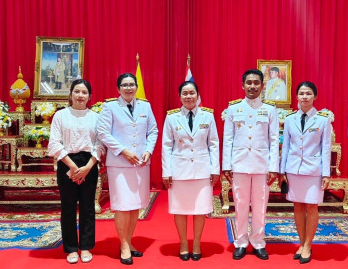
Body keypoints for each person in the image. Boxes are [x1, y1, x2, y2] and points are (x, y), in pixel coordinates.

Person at [96, 73, 158, 265]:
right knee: (122, 206)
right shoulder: (110, 107)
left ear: (137, 87)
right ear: (118, 88)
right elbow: (103, 133)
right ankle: (123, 245)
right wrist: (123, 151)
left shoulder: (145, 106)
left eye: (132, 84)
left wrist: (148, 150)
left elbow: (153, 130)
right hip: (120, 164)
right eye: (125, 85)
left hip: (140, 162)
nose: (128, 88)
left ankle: (129, 241)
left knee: (135, 206)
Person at [222, 69, 279, 260]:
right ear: (243, 85)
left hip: (262, 166)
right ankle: (240, 242)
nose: (252, 86)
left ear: (262, 86)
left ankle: (258, 242)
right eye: (249, 83)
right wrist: (226, 165)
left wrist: (274, 168)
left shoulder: (270, 110)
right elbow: (227, 139)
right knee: (240, 203)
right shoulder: (233, 109)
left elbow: (273, 140)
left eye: (256, 83)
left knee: (260, 204)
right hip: (239, 164)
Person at [48, 79, 105, 264]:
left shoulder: (96, 117)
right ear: (71, 94)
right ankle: (71, 248)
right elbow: (54, 143)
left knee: (88, 207)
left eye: (84, 92)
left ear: (89, 96)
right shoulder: (60, 116)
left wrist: (88, 166)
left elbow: (100, 144)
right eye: (77, 91)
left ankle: (86, 246)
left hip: (89, 163)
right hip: (67, 162)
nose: (81, 95)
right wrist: (72, 166)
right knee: (68, 207)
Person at [162, 81, 220, 262]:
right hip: (179, 170)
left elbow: (214, 144)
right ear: (179, 96)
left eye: (192, 93)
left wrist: (215, 169)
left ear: (198, 95)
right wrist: (166, 171)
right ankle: (183, 243)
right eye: (185, 93)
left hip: (202, 171)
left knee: (200, 209)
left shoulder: (208, 116)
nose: (188, 96)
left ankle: (196, 243)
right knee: (180, 209)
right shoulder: (172, 117)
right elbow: (166, 146)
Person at [279, 81, 331, 264]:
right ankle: (302, 243)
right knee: (298, 206)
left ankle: (308, 245)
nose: (304, 97)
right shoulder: (290, 119)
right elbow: (285, 146)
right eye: (301, 93)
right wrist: (282, 170)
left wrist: (326, 174)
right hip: (293, 169)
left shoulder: (323, 120)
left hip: (314, 170)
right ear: (297, 96)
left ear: (315, 96)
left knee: (311, 206)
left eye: (308, 93)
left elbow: (325, 148)